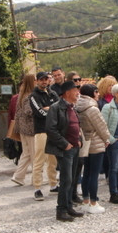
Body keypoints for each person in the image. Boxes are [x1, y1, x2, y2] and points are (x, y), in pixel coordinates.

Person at [44, 80, 84, 221]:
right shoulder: (56, 108)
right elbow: (51, 129)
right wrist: (65, 144)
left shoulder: (72, 107)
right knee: (66, 180)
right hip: (65, 149)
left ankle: (68, 207)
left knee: (72, 179)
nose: (78, 93)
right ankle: (61, 210)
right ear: (67, 93)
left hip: (74, 147)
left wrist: (79, 139)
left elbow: (76, 126)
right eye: (75, 90)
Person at [75, 83, 111, 213]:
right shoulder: (92, 108)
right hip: (95, 142)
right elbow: (101, 126)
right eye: (97, 92)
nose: (99, 94)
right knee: (94, 174)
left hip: (85, 142)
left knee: (86, 172)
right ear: (92, 93)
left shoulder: (78, 106)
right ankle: (94, 202)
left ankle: (85, 201)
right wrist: (107, 139)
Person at [30, 71, 59, 201]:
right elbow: (39, 112)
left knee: (53, 160)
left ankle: (53, 185)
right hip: (41, 131)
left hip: (53, 131)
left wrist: (49, 109)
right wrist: (51, 111)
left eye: (46, 79)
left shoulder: (53, 94)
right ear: (37, 81)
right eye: (41, 79)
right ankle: (37, 188)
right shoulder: (33, 96)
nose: (44, 81)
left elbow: (61, 109)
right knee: (39, 160)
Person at [10, 73, 37, 187]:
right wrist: (40, 109)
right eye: (35, 80)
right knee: (34, 154)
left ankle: (18, 176)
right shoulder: (29, 96)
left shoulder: (21, 94)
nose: (36, 82)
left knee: (26, 153)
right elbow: (28, 111)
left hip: (22, 128)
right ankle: (36, 179)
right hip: (30, 129)